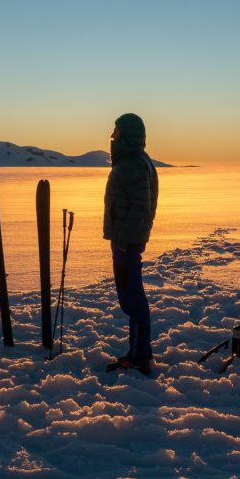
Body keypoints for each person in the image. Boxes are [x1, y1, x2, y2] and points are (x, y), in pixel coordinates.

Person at [103, 113, 159, 376]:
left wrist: (124, 239)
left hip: (127, 242)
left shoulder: (134, 164)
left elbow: (140, 207)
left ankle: (139, 356)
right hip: (125, 239)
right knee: (130, 297)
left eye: (116, 131)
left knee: (133, 299)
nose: (113, 136)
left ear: (126, 134)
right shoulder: (131, 162)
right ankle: (139, 353)